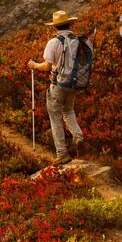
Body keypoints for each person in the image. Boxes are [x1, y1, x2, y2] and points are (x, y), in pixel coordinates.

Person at [28, 10, 89, 165]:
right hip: (74, 84)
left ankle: (62, 153)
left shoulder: (54, 42)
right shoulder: (77, 40)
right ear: (70, 23)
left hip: (58, 84)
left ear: (55, 26)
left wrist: (34, 65)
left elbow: (47, 66)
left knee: (55, 116)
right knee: (68, 110)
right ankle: (78, 137)